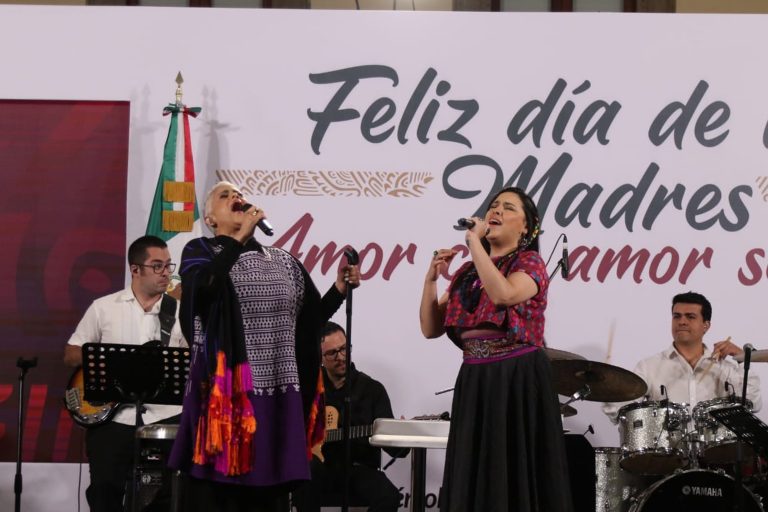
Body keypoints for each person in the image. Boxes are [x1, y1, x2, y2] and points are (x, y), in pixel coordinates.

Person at [168, 181, 361, 512]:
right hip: (226, 397)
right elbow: (204, 292)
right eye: (225, 196)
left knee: (266, 496)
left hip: (274, 395)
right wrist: (239, 238)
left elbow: (310, 319)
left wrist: (339, 288)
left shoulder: (282, 260)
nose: (236, 199)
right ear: (211, 219)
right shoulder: (200, 251)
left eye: (239, 195)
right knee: (219, 496)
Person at [419, 187, 573, 512]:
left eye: (508, 207)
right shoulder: (467, 274)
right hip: (475, 378)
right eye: (493, 206)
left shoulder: (530, 263)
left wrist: (475, 243)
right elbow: (431, 328)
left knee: (514, 470)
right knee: (474, 472)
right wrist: (431, 280)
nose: (496, 211)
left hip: (517, 377)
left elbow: (503, 294)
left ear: (527, 227)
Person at [63, 235, 186, 512]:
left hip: (165, 417)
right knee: (104, 492)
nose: (166, 272)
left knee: (167, 496)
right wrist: (112, 362)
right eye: (157, 266)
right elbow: (70, 354)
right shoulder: (103, 307)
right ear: (135, 269)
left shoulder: (179, 312)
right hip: (112, 417)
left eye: (168, 265)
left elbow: (193, 362)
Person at [292, 321, 406, 512]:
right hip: (320, 469)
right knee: (307, 472)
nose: (341, 357)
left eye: (345, 349)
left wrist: (401, 437)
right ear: (320, 357)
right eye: (333, 353)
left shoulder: (372, 390)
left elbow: (395, 450)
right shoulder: (308, 387)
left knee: (389, 496)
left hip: (359, 470)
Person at [603, 291, 762, 419]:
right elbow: (619, 412)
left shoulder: (724, 367)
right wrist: (603, 385)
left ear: (706, 325)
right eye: (676, 316)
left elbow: (753, 404)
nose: (682, 321)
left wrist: (742, 360)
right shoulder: (649, 366)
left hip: (717, 457)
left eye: (690, 317)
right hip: (669, 457)